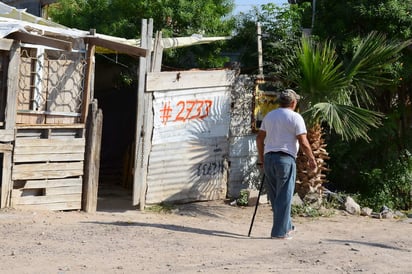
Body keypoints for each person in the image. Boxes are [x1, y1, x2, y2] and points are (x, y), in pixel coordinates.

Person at [256, 89, 317, 240]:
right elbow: (303, 141)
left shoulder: (270, 115)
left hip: (269, 158)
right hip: (285, 159)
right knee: (284, 196)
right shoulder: (296, 117)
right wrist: (311, 158)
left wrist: (262, 158)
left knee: (276, 195)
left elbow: (259, 138)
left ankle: (287, 226)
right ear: (293, 102)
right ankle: (279, 232)